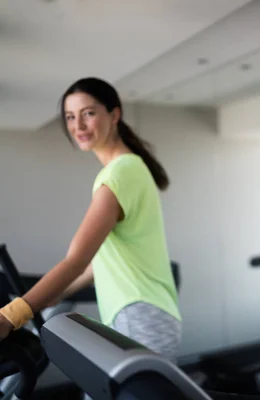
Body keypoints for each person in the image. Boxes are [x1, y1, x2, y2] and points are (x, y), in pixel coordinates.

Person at [0, 77, 182, 363]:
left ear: (115, 114)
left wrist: (9, 317)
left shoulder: (119, 174)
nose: (78, 126)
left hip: (140, 317)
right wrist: (57, 293)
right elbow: (100, 262)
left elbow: (76, 260)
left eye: (88, 113)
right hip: (144, 315)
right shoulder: (130, 167)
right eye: (71, 117)